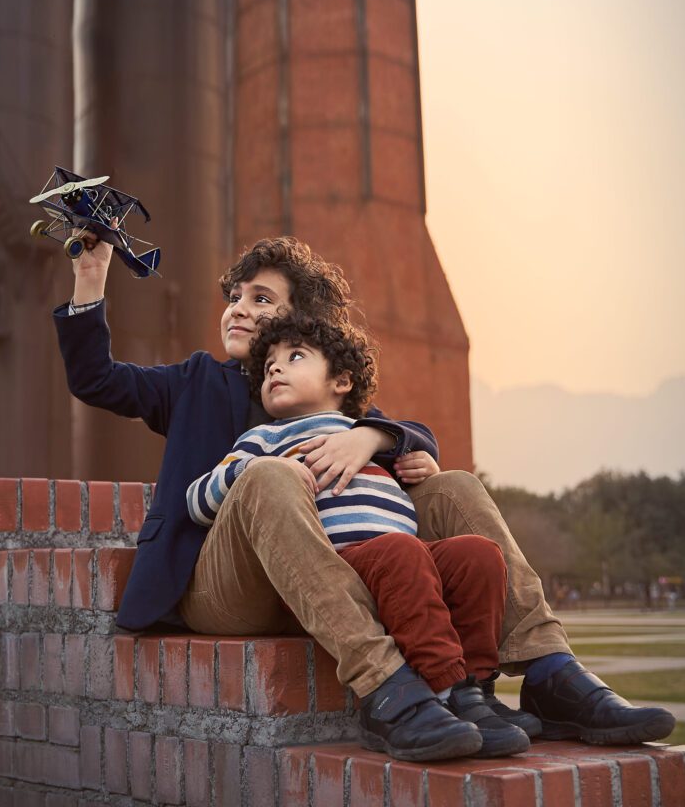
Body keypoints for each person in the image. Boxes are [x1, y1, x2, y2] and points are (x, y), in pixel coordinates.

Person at [54, 233, 675, 750]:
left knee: (451, 483)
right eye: (235, 296)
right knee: (270, 475)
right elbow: (97, 379)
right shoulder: (193, 381)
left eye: (262, 298)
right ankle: (388, 692)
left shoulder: (329, 396)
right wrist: (90, 278)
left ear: (304, 326)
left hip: (329, 578)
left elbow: (417, 435)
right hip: (226, 586)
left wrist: (372, 437)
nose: (239, 308)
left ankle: (548, 671)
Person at [188, 311, 531, 758]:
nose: (274, 367)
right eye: (268, 363)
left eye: (294, 356)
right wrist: (259, 467)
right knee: (400, 552)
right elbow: (199, 498)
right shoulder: (264, 439)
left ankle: (474, 691)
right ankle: (439, 686)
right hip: (344, 569)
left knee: (478, 555)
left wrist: (414, 461)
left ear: (342, 381)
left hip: (406, 564)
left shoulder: (374, 436)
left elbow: (420, 442)